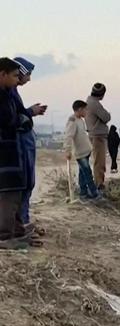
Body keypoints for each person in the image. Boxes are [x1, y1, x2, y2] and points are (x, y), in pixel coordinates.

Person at [11, 57, 46, 239]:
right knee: (24, 183)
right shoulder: (9, 92)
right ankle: (20, 223)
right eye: (27, 74)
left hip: (23, 142)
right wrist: (29, 112)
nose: (28, 79)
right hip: (20, 144)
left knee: (26, 183)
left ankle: (22, 221)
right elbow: (13, 118)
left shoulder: (13, 92)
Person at [0, 58, 27, 250]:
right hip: (4, 154)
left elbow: (20, 116)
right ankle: (4, 237)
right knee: (8, 193)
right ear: (3, 74)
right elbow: (8, 118)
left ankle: (15, 231)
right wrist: (20, 119)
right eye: (15, 76)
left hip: (11, 151)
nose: (18, 80)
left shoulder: (8, 94)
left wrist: (21, 118)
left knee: (14, 191)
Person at [64, 100, 99, 201]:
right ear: (79, 109)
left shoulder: (80, 120)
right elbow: (68, 137)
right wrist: (67, 150)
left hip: (86, 151)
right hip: (80, 154)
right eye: (85, 110)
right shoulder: (72, 121)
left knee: (82, 174)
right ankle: (94, 193)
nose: (86, 112)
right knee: (87, 173)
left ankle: (83, 193)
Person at [85, 83, 111, 190]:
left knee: (98, 161)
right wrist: (108, 114)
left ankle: (98, 182)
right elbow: (106, 117)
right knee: (99, 162)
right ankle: (99, 184)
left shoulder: (89, 102)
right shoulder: (95, 104)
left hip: (94, 135)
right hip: (98, 136)